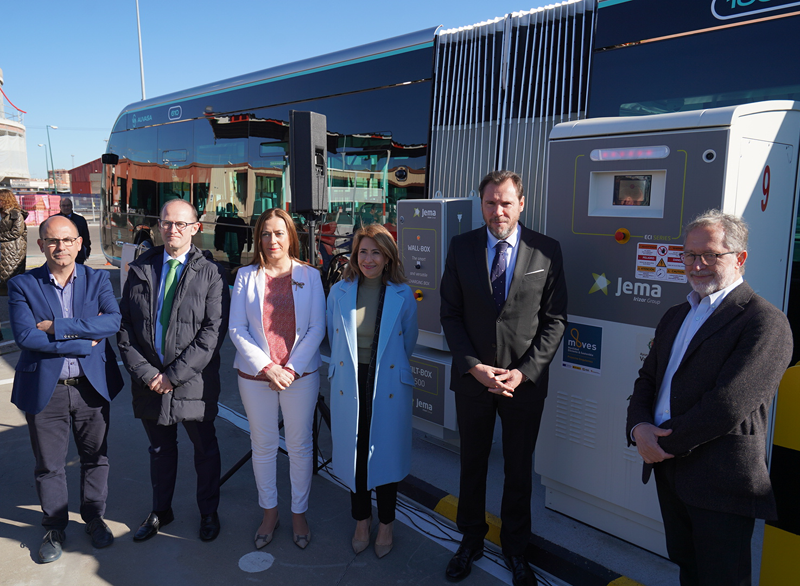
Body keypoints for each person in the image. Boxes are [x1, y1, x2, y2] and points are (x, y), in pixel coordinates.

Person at [626, 210, 792, 586]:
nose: (697, 265)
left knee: (723, 578)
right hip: (670, 473)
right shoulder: (675, 315)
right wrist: (638, 428)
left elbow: (729, 404)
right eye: (689, 255)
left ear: (740, 258)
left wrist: (662, 443)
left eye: (711, 255)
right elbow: (647, 379)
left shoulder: (765, 322)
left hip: (720, 482)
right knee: (689, 568)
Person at [440, 170, 567, 586]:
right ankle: (470, 539)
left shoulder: (546, 251)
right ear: (481, 204)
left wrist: (524, 372)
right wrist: (473, 366)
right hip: (474, 380)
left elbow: (555, 321)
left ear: (522, 204)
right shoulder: (461, 247)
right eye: (491, 202)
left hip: (522, 385)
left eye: (506, 202)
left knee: (517, 470)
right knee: (472, 465)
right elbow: (451, 314)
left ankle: (516, 551)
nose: (498, 211)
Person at [8, 215, 124, 563]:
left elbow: (112, 321)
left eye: (67, 240)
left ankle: (94, 518)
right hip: (47, 389)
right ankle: (54, 526)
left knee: (95, 457)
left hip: (91, 386)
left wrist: (58, 327)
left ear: (79, 243)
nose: (61, 247)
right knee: (49, 464)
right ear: (41, 245)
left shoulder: (97, 279)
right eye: (53, 241)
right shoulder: (23, 285)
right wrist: (79, 341)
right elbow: (26, 336)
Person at [118, 199, 230, 543]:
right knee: (160, 450)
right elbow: (125, 328)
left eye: (181, 224)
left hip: (193, 381)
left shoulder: (212, 273)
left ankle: (208, 512)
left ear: (196, 228)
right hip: (149, 381)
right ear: (158, 226)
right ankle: (160, 510)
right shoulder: (141, 267)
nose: (172, 230)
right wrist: (147, 373)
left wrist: (173, 375)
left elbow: (212, 334)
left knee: (205, 450)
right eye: (167, 223)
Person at [229, 208, 325, 550]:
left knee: (299, 447)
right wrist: (268, 367)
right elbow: (236, 328)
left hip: (300, 375)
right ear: (258, 238)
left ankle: (298, 512)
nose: (272, 240)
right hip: (257, 376)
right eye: (266, 234)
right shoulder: (245, 276)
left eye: (279, 233)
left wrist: (290, 369)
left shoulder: (310, 276)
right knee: (264, 445)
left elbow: (317, 328)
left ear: (291, 237)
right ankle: (270, 512)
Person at [327, 223, 418, 559]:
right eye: (362, 251)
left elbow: (407, 341)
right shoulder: (339, 291)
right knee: (356, 453)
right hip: (350, 380)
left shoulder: (403, 294)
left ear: (388, 257)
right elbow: (332, 336)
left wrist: (385, 366)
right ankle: (361, 521)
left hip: (388, 381)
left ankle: (387, 523)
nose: (368, 259)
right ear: (355, 255)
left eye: (376, 252)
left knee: (386, 454)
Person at [0, 188, 28, 294]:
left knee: (10, 274)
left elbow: (16, 232)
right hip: (2, 250)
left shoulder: (16, 214)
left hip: (12, 251)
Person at [58, 197, 92, 264]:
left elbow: (86, 237)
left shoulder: (80, 220)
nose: (66, 207)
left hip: (78, 254)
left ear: (72, 206)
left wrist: (87, 251)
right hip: (61, 253)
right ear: (60, 206)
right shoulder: (54, 220)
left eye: (68, 205)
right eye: (64, 205)